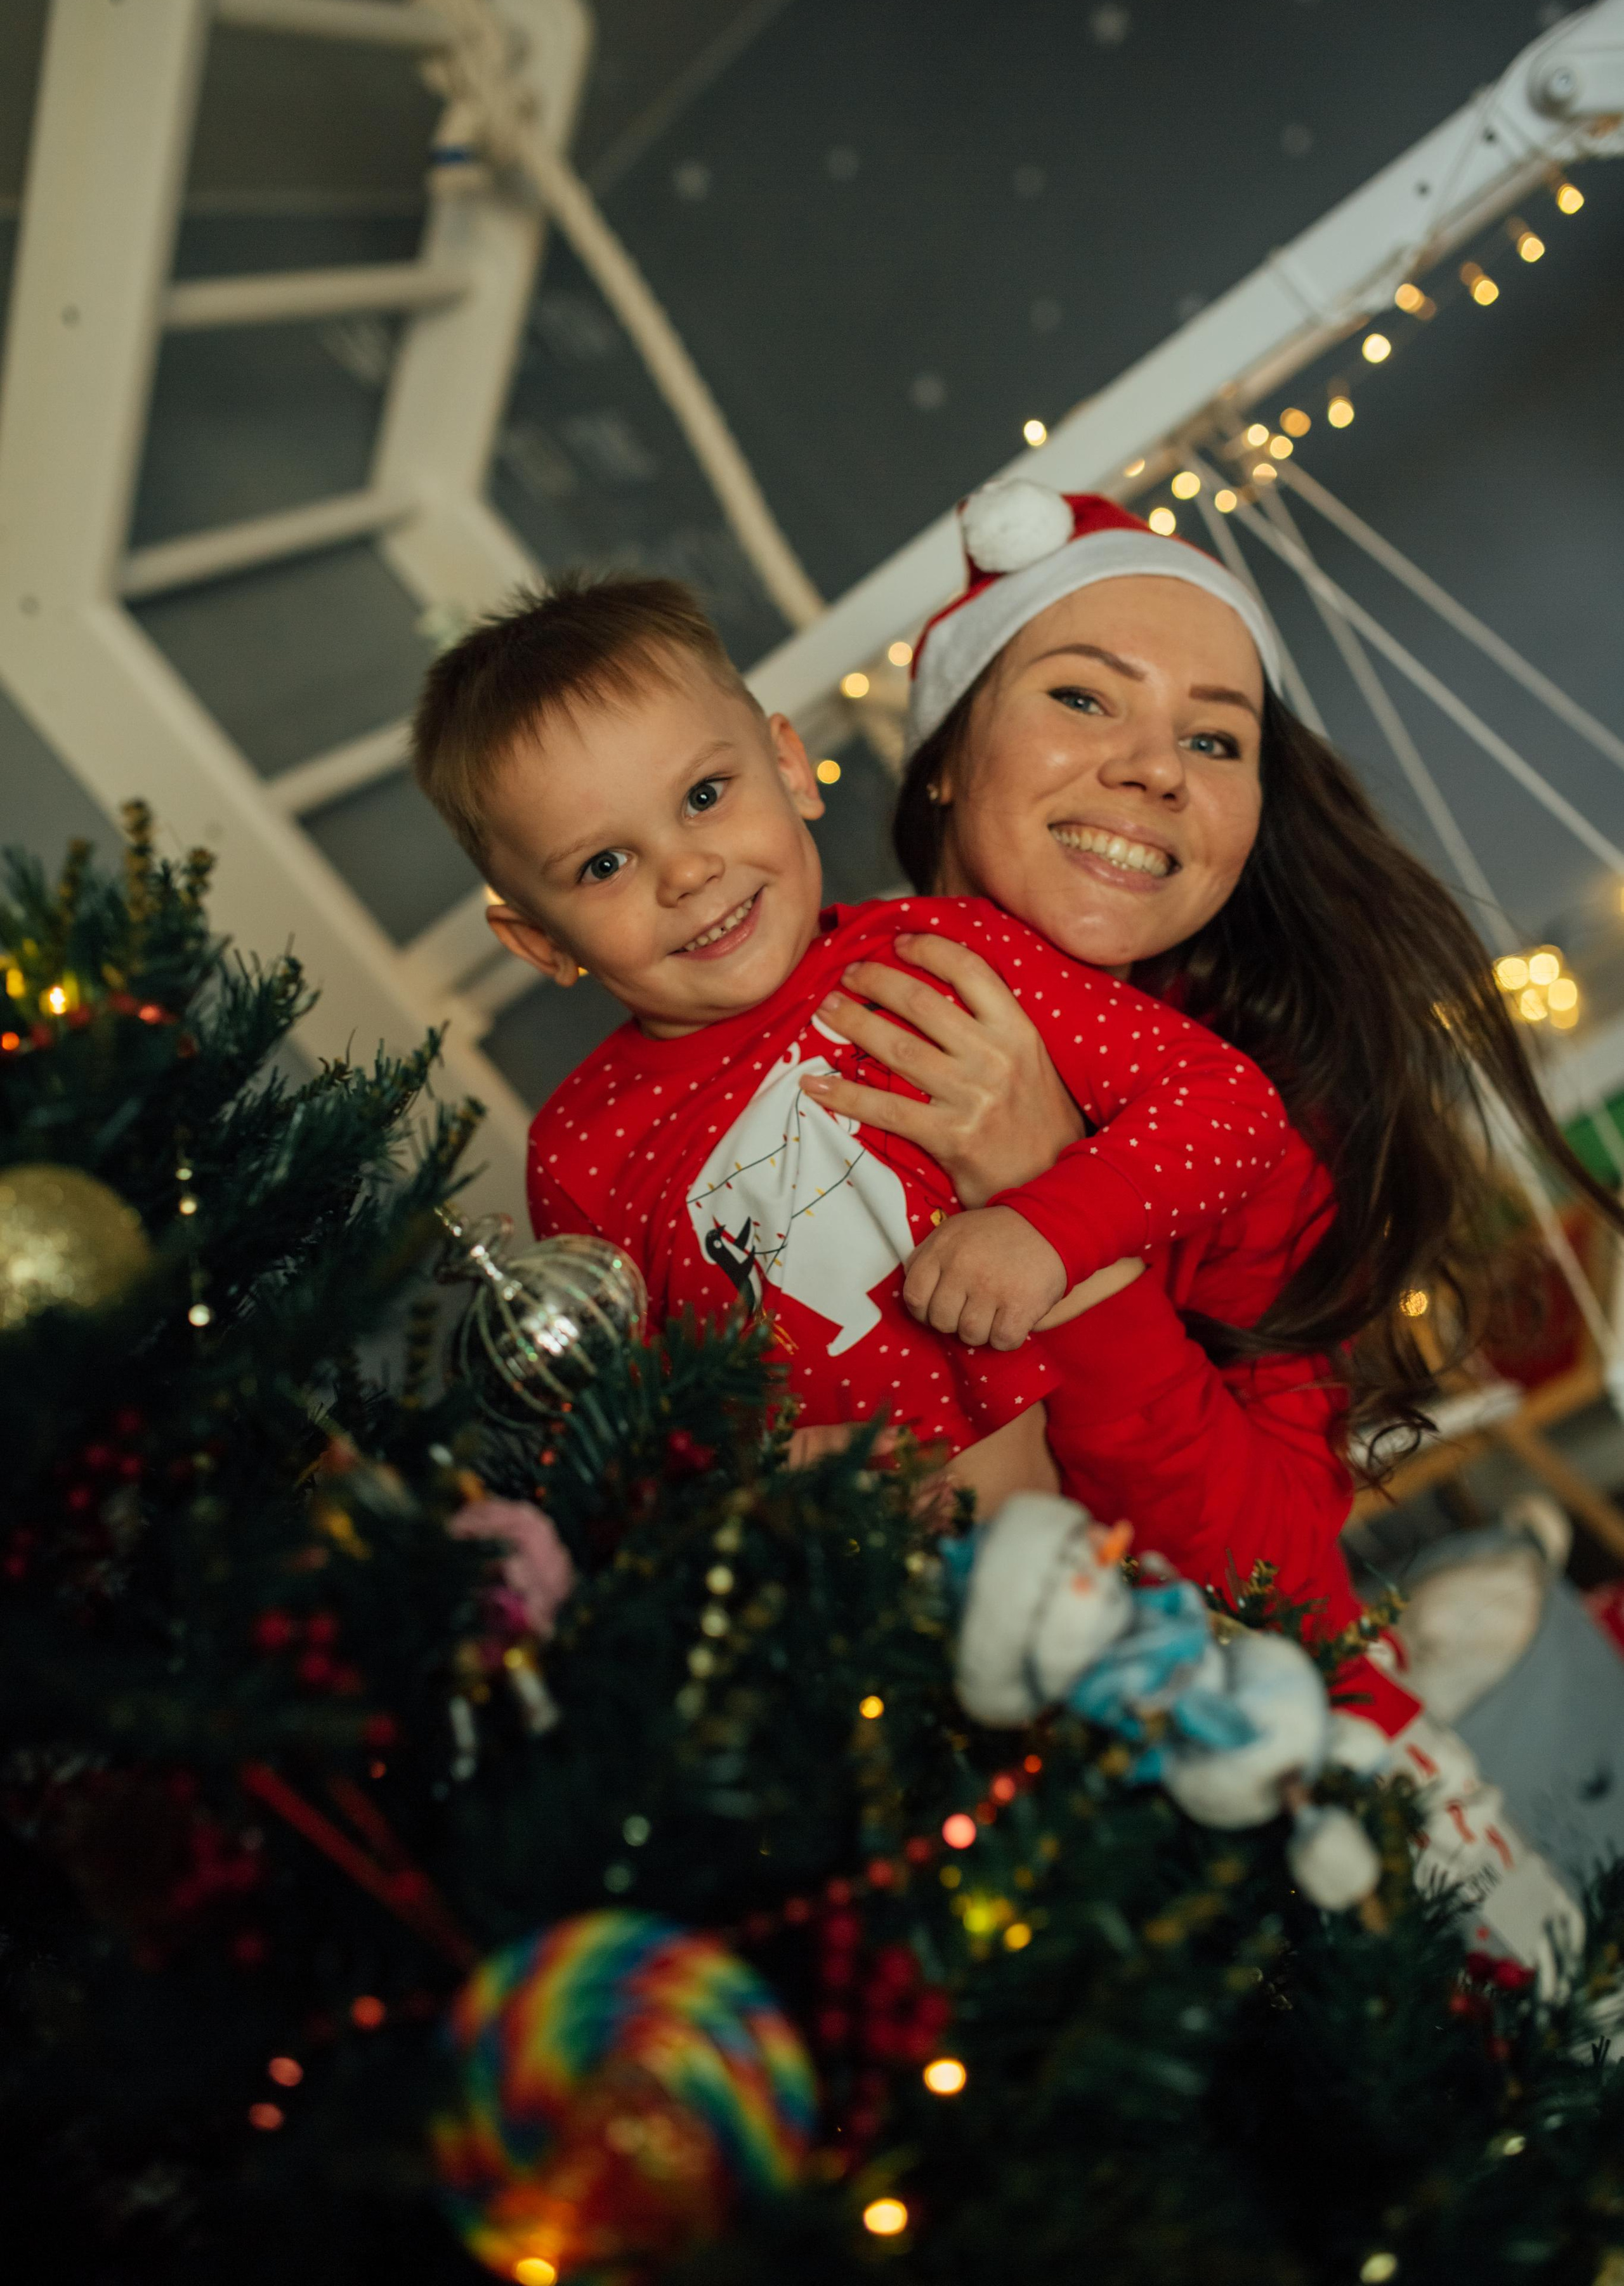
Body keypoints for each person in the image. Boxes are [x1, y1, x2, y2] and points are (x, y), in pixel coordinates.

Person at [795, 475, 1622, 1970]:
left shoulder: (1255, 1132)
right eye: (1081, 698)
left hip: (1318, 1860)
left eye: (1212, 738)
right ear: (938, 760)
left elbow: (1280, 1586)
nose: (1154, 769)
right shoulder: (788, 1061)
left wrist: (1063, 1220)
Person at [410, 573, 1296, 1516]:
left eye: (706, 795)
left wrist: (1049, 1226)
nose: (687, 870)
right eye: (603, 865)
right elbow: (620, 1414)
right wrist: (728, 1475)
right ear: (543, 942)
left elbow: (1228, 1107)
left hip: (1104, 1533)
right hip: (847, 1594)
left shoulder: (948, 952)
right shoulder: (583, 1154)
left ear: (790, 766)